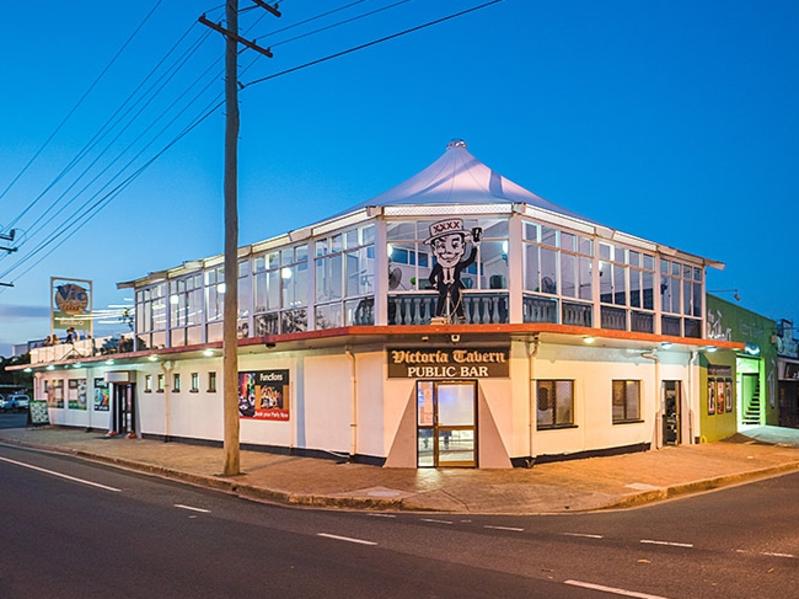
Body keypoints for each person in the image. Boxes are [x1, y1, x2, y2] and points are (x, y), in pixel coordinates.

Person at [426, 218, 482, 322]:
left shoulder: (457, 265)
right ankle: (439, 314)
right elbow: (431, 277)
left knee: (456, 297)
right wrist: (435, 285)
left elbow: (470, 260)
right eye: (441, 246)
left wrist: (474, 247)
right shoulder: (438, 266)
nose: (448, 252)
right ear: (434, 249)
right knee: (442, 298)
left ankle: (460, 315)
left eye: (455, 245)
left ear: (462, 247)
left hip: (454, 287)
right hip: (443, 287)